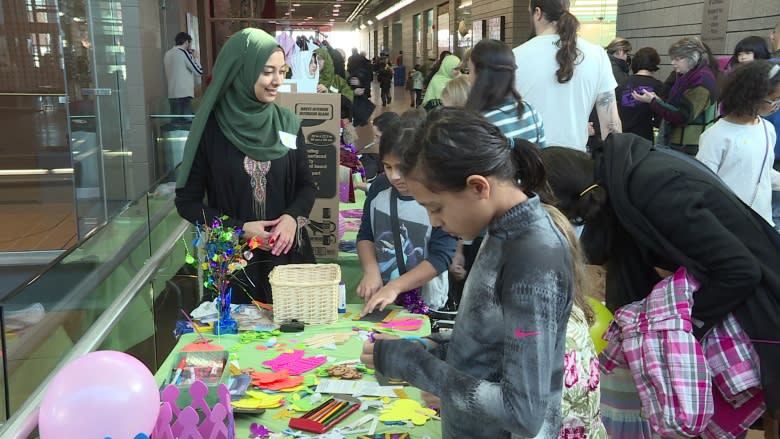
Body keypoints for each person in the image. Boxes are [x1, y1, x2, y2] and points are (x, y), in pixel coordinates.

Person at [540, 135, 780, 435]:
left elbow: (740, 271)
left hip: (758, 310)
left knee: (710, 418)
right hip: (733, 299)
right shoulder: (621, 170)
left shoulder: (654, 189)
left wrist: (679, 324)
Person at [360, 107, 573, 438]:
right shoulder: (500, 230)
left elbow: (523, 412)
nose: (433, 221)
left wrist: (417, 367)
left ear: (478, 187)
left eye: (436, 207)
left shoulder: (531, 255)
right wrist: (429, 347)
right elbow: (492, 347)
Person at [175, 29, 316, 304]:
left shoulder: (287, 124)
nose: (277, 81)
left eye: (282, 71)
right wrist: (238, 229)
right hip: (234, 266)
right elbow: (187, 202)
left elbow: (306, 185)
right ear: (241, 71)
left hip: (287, 261)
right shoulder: (211, 130)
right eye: (267, 72)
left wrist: (290, 218)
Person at [357, 112, 456, 315]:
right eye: (387, 166)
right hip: (383, 299)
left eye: (403, 168)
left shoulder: (440, 197)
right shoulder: (379, 188)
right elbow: (366, 235)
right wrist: (371, 271)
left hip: (427, 303)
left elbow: (441, 256)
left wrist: (395, 287)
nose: (395, 176)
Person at [513, 0, 621, 150]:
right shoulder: (598, 55)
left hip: (528, 163)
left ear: (537, 13)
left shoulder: (515, 57)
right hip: (576, 163)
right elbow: (611, 123)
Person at [696, 60, 780, 225]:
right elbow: (703, 185)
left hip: (762, 221)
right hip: (728, 223)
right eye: (774, 100)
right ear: (751, 95)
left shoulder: (767, 128)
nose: (776, 106)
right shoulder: (716, 136)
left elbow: (763, 172)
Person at [632, 37, 717, 155]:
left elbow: (682, 115)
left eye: (677, 59)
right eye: (673, 59)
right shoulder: (688, 75)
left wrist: (653, 101)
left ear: (692, 58)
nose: (673, 63)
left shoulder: (701, 81)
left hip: (688, 146)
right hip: (680, 143)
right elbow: (675, 106)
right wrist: (656, 100)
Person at [467, 39, 546, 147]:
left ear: (481, 76)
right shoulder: (530, 112)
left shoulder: (477, 124)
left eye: (469, 71)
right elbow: (541, 157)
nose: (468, 78)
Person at [616, 47, 666, 141]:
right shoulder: (658, 86)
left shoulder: (622, 83)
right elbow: (660, 118)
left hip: (621, 138)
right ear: (655, 64)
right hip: (644, 140)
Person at [163, 32, 203, 122]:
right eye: (190, 43)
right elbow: (199, 71)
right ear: (186, 42)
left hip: (172, 94)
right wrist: (196, 57)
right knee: (186, 122)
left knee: (175, 122)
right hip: (184, 94)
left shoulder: (168, 54)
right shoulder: (183, 52)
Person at [315, 47, 354, 119]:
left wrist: (329, 93)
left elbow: (349, 101)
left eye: (320, 58)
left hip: (334, 121)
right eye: (314, 58)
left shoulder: (337, 80)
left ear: (326, 60)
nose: (316, 61)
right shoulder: (306, 80)